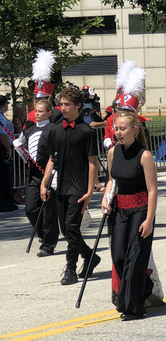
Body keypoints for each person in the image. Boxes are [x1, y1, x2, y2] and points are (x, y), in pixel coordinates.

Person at [40, 85, 99, 285]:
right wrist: (44, 183)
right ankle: (90, 256)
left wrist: (90, 190)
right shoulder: (55, 130)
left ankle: (71, 269)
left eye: (67, 105)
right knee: (66, 230)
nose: (62, 108)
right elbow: (51, 159)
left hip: (79, 185)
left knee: (72, 226)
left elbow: (92, 162)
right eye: (61, 104)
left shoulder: (86, 132)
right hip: (61, 184)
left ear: (78, 106)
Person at [102, 112, 158, 320]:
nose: (118, 133)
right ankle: (145, 287)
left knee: (134, 258)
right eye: (116, 128)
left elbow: (152, 190)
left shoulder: (144, 155)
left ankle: (131, 307)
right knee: (118, 256)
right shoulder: (112, 152)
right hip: (119, 211)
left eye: (123, 129)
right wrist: (106, 198)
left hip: (140, 209)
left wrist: (149, 219)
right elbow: (111, 180)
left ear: (134, 130)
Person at [13, 97, 59, 254]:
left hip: (49, 173)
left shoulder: (53, 129)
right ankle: (43, 234)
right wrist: (19, 149)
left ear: (48, 113)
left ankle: (49, 244)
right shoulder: (29, 129)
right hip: (34, 173)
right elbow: (22, 146)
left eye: (40, 111)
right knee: (31, 208)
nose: (37, 114)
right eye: (36, 111)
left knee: (48, 211)